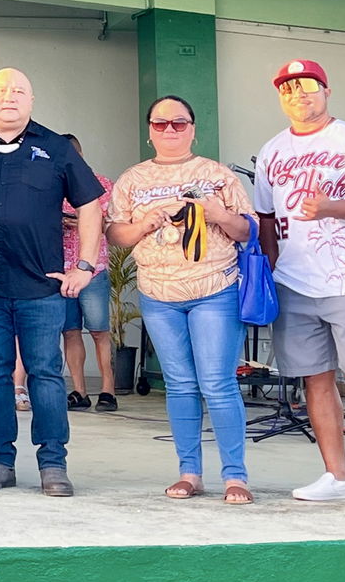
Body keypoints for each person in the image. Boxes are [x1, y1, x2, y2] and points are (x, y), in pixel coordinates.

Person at [0, 67, 103, 497]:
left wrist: (84, 267)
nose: (9, 97)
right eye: (1, 90)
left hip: (42, 288)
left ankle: (53, 464)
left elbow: (90, 205)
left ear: (31, 101)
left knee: (46, 374)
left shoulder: (56, 148)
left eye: (19, 91)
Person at [255, 59, 345, 511]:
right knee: (315, 381)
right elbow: (265, 218)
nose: (299, 96)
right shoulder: (273, 150)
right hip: (295, 283)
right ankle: (338, 476)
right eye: (289, 89)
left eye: (308, 87)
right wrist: (270, 271)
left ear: (326, 90)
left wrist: (332, 207)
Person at [108, 96, 255, 504]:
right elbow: (115, 235)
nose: (169, 130)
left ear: (192, 127)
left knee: (218, 383)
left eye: (178, 123)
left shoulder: (217, 175)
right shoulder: (132, 179)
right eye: (160, 124)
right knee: (180, 385)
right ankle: (190, 471)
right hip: (158, 293)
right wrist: (140, 225)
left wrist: (217, 215)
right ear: (149, 129)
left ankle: (235, 475)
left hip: (214, 288)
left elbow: (247, 230)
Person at [61, 134, 117, 412]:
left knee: (99, 331)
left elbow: (111, 222)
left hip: (93, 268)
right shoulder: (51, 185)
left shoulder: (102, 184)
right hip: (62, 271)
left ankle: (108, 389)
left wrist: (84, 222)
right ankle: (79, 391)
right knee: (70, 332)